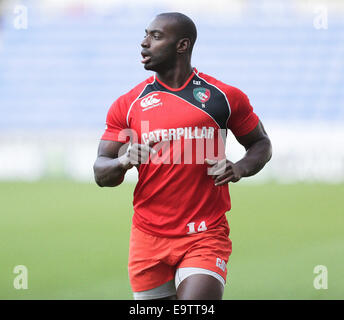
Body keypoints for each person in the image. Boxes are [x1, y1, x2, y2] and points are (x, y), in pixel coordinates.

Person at [93, 12, 272, 300]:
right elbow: (101, 172)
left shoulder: (223, 97)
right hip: (147, 236)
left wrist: (240, 168)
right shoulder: (127, 105)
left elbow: (261, 144)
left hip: (204, 233)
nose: (144, 43)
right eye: (145, 34)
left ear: (182, 45)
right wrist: (123, 161)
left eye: (156, 36)